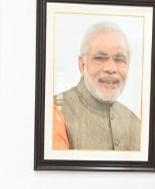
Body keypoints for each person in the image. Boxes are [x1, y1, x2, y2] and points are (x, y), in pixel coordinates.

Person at [51, 22, 142, 152]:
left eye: (119, 59)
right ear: (82, 65)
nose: (111, 68)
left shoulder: (135, 123)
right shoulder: (55, 112)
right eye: (100, 58)